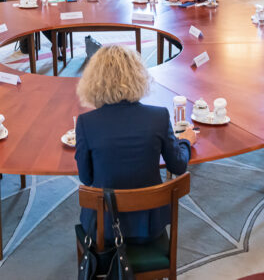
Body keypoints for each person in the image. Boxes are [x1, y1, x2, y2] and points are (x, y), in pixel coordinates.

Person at [74, 45, 197, 242]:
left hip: (103, 229)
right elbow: (178, 166)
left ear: (94, 81)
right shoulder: (159, 117)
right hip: (149, 225)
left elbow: (86, 178)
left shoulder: (85, 124)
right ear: (138, 77)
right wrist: (185, 141)